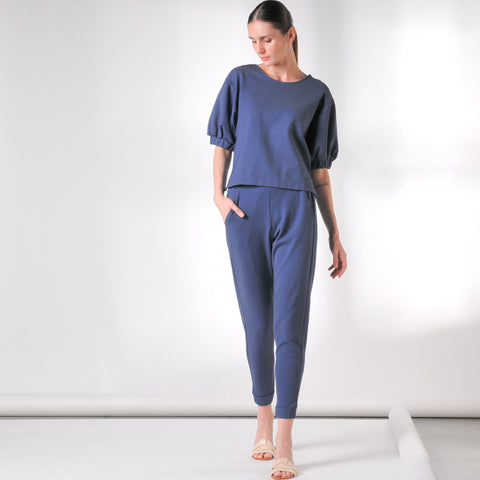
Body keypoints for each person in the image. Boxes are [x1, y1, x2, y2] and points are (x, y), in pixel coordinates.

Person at [207, 1, 347, 478]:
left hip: (296, 211)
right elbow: (221, 143)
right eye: (253, 41)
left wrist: (334, 232)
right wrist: (218, 197)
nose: (259, 49)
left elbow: (320, 170)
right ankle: (262, 419)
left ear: (290, 34)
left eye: (266, 38)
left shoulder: (317, 94)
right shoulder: (240, 81)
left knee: (290, 325)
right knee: (257, 324)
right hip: (244, 211)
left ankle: (284, 437)